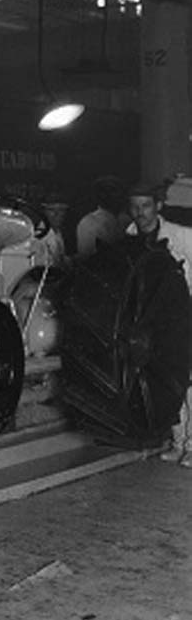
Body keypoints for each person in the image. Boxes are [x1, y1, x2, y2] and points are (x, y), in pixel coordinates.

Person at [124, 181, 192, 467]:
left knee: (189, 383)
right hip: (154, 327)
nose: (141, 212)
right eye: (135, 207)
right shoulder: (128, 239)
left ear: (159, 206)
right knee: (167, 383)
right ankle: (178, 443)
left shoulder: (184, 236)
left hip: (185, 318)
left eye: (146, 206)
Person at [74, 175, 127, 257]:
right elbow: (86, 258)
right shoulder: (88, 223)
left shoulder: (126, 219)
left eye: (116, 191)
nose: (115, 196)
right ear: (100, 196)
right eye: (107, 192)